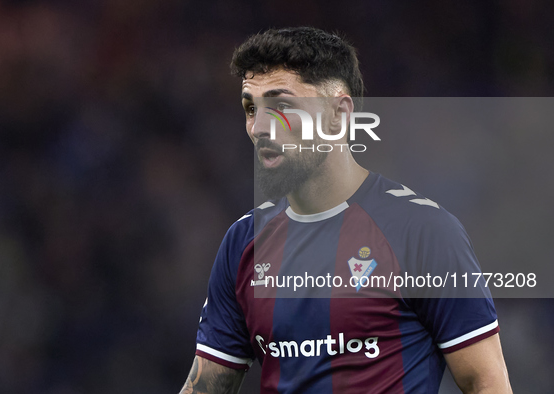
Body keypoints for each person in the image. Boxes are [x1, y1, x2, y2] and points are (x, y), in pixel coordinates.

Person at [179, 27, 512, 394]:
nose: (259, 127)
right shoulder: (242, 243)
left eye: (281, 105)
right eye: (250, 108)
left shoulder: (422, 231)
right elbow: (206, 387)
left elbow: (486, 383)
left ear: (339, 114)